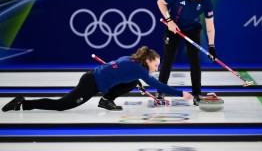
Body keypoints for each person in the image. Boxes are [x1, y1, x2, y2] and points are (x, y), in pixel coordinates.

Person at [2, 46, 193, 112]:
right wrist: (181, 93)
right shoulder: (140, 70)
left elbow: (117, 68)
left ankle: (106, 99)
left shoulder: (133, 61)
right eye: (156, 65)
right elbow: (159, 85)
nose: (156, 68)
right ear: (148, 61)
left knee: (134, 82)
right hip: (91, 84)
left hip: (94, 78)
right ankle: (24, 103)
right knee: (62, 105)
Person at [156, 0, 217, 106]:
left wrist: (211, 46)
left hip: (193, 29)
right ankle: (160, 91)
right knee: (168, 59)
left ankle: (197, 93)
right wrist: (169, 21)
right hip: (174, 28)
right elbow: (160, 2)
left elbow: (210, 26)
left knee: (195, 60)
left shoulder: (207, 1)